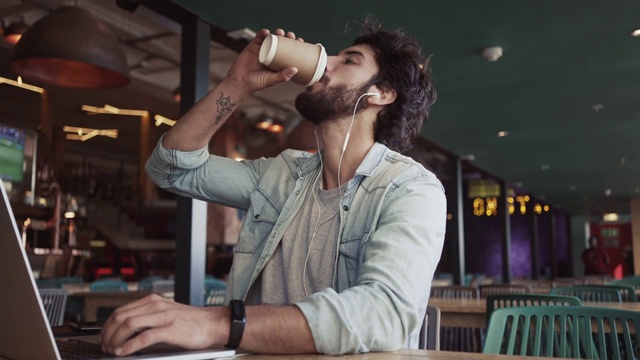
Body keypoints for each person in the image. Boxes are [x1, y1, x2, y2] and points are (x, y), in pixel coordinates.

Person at [100, 18, 446, 356]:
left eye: (349, 60)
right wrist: (236, 85)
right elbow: (171, 167)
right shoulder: (281, 174)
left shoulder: (410, 189)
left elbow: (381, 314)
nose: (327, 63)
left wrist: (220, 324)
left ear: (381, 94)